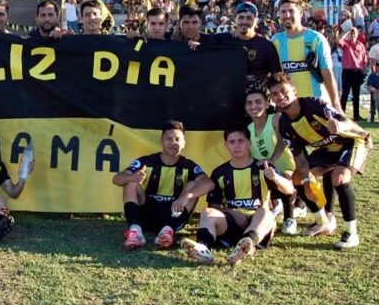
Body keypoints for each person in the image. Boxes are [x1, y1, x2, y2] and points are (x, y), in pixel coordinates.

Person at [268, 73, 370, 248]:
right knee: (297, 179)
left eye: (283, 90)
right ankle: (323, 221)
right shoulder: (284, 125)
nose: (280, 96)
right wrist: (307, 181)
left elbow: (345, 121)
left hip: (352, 142)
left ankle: (351, 234)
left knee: (339, 178)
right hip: (328, 149)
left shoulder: (314, 104)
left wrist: (341, 126)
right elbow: (300, 160)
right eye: (275, 93)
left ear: (294, 90)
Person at [180, 126, 295, 265]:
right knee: (207, 212)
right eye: (232, 142)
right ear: (226, 146)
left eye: (241, 141)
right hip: (231, 223)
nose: (237, 146)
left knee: (266, 213)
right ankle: (203, 249)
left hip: (257, 223)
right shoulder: (220, 172)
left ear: (249, 143)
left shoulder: (263, 167)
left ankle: (247, 245)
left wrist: (275, 177)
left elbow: (289, 190)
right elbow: (214, 206)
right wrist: (231, 212)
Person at [112, 120, 208, 250]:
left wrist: (186, 196)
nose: (173, 143)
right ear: (161, 141)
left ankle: (168, 232)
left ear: (184, 143)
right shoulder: (147, 161)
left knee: (192, 185)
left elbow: (208, 183)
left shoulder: (188, 165)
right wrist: (132, 177)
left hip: (173, 215)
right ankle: (135, 231)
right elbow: (116, 179)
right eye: (168, 139)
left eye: (177, 139)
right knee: (130, 182)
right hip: (146, 214)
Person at [271, 0, 342, 112]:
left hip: (317, 105)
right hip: (289, 109)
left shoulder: (316, 39)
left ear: (300, 12)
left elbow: (327, 74)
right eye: (283, 11)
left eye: (291, 11)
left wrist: (336, 105)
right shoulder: (275, 41)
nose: (287, 15)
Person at [245, 88, 298, 234]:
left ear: (268, 104)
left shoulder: (275, 119)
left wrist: (272, 159)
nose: (253, 106)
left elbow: (283, 140)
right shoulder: (247, 130)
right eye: (249, 103)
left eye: (258, 102)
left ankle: (290, 218)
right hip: (266, 171)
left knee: (282, 178)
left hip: (287, 167)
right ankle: (273, 205)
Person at [227, 2, 282, 90]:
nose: (244, 22)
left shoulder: (266, 46)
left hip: (257, 100)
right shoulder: (225, 41)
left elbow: (276, 75)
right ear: (235, 19)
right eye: (241, 17)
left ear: (256, 21)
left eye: (249, 18)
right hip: (231, 98)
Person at [337, 27, 368, 120]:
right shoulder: (346, 44)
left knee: (356, 95)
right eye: (351, 33)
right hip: (347, 72)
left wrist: (364, 71)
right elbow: (339, 41)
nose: (353, 35)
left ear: (357, 34)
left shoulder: (361, 45)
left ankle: (356, 115)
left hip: (357, 72)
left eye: (354, 33)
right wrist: (346, 32)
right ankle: (341, 114)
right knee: (345, 94)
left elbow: (364, 59)